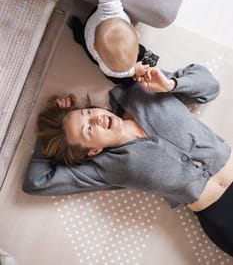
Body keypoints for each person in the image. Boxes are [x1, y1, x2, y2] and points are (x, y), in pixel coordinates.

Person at [23, 64, 233, 257]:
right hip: (220, 216)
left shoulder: (141, 91)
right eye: (88, 129)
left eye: (87, 113)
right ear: (93, 150)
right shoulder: (104, 168)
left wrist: (170, 85)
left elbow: (210, 87)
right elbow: (36, 182)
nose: (95, 118)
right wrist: (46, 136)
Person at [69, 0, 161, 84]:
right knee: (117, 78)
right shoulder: (107, 67)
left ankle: (147, 66)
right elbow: (112, 71)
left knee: (144, 53)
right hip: (91, 46)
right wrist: (133, 70)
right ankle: (79, 34)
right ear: (136, 34)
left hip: (95, 37)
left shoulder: (111, 9)